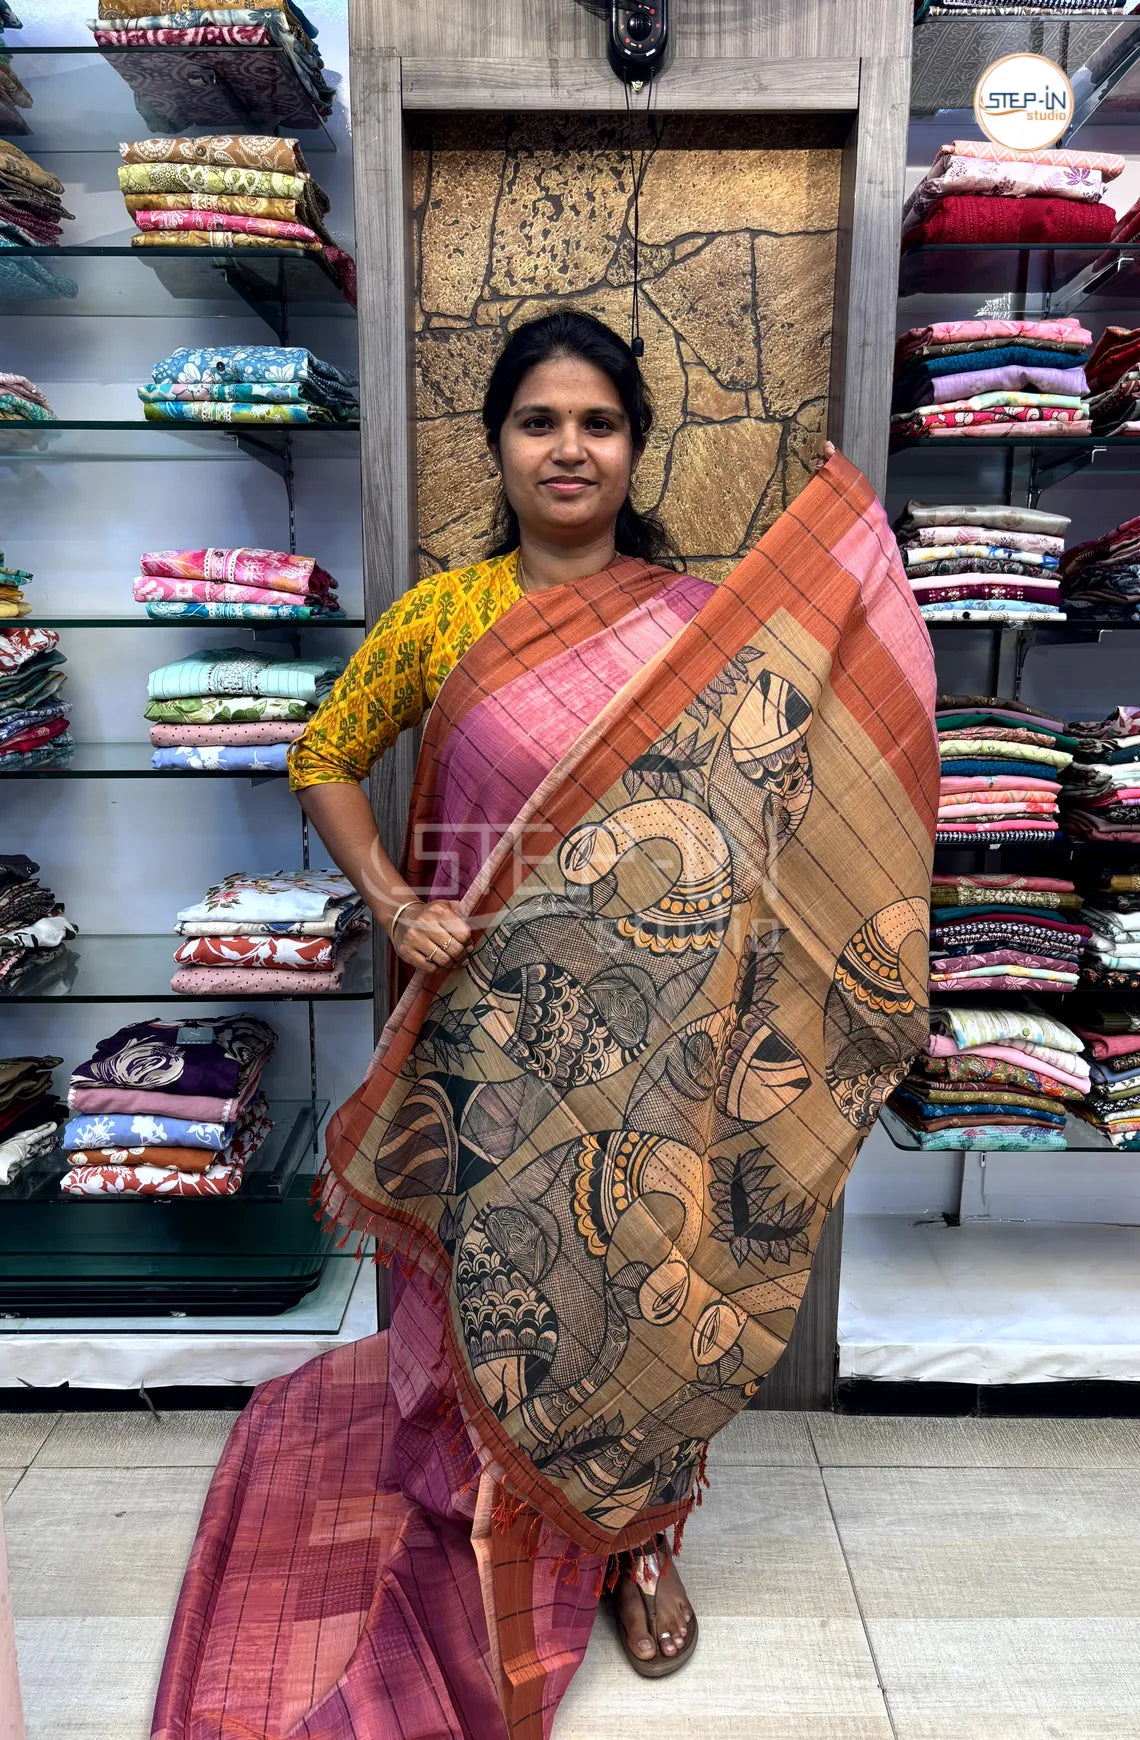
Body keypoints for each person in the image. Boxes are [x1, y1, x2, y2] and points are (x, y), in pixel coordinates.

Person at [153, 311, 937, 1740]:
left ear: (634, 448)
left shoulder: (698, 630)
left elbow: (776, 807)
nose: (568, 448)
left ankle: (637, 1538)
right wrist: (392, 900)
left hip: (653, 1040)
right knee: (482, 1282)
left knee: (640, 1285)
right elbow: (325, 753)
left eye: (597, 423)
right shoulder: (447, 617)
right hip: (477, 1040)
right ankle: (484, 1501)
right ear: (499, 446)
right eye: (538, 422)